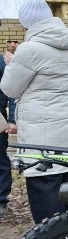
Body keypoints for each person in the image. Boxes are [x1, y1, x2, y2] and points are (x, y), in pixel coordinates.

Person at [0, 0, 68, 225]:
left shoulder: (28, 50)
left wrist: (11, 65)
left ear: (27, 24)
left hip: (42, 138)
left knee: (46, 197)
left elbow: (9, 88)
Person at [0, 41, 18, 218]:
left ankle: (1, 200)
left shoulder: (1, 62)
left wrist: (12, 120)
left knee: (0, 160)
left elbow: (11, 93)